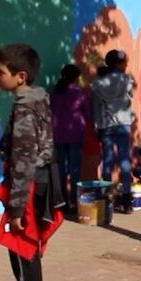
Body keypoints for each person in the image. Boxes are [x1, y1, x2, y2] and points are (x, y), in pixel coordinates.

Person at [0, 43, 64, 281]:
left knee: (24, 250)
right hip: (41, 180)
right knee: (22, 251)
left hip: (29, 184)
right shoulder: (37, 99)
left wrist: (18, 209)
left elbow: (23, 159)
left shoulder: (24, 107)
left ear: (20, 76)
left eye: (1, 73)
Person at [91, 49, 136, 212]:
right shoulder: (127, 80)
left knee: (107, 161)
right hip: (123, 123)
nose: (126, 66)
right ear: (119, 63)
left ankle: (106, 197)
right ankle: (126, 200)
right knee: (124, 161)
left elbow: (95, 107)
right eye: (125, 63)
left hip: (105, 125)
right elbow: (129, 99)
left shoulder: (98, 84)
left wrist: (97, 126)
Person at [50, 64, 91, 210]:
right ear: (76, 77)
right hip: (75, 135)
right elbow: (88, 113)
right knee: (75, 171)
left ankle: (61, 202)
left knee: (62, 169)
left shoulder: (54, 94)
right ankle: (74, 201)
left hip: (58, 135)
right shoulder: (80, 93)